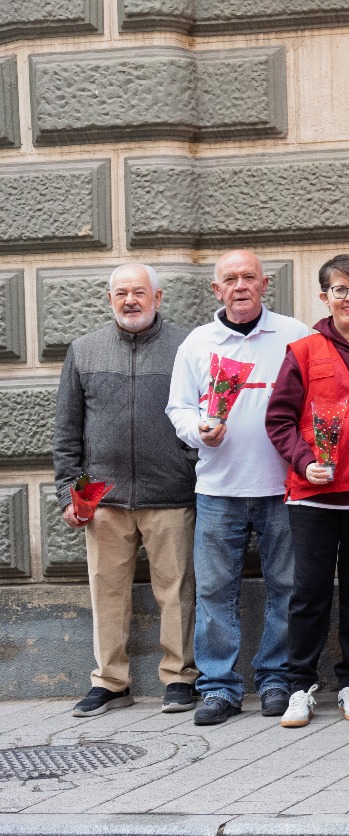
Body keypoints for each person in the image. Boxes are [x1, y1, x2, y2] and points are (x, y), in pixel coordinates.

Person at [166, 250, 311, 726]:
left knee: (286, 588)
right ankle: (219, 688)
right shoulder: (197, 343)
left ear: (264, 283)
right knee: (214, 591)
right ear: (216, 289)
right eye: (230, 278)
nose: (240, 285)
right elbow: (179, 409)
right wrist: (199, 431)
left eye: (249, 276)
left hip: (281, 486)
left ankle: (275, 680)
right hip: (218, 487)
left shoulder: (294, 334)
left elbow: (315, 403)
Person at [53, 264, 199, 717]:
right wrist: (69, 495)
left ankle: (179, 678)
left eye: (139, 292)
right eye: (121, 293)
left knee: (176, 591)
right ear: (110, 298)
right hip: (104, 500)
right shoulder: (84, 350)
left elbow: (205, 414)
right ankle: (111, 682)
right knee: (106, 592)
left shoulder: (186, 347)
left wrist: (191, 470)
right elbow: (67, 432)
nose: (130, 300)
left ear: (158, 297)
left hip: (172, 494)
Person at [265, 255, 349, 728]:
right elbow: (278, 420)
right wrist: (304, 461)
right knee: (309, 593)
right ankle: (300, 685)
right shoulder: (302, 351)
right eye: (339, 290)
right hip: (314, 496)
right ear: (324, 297)